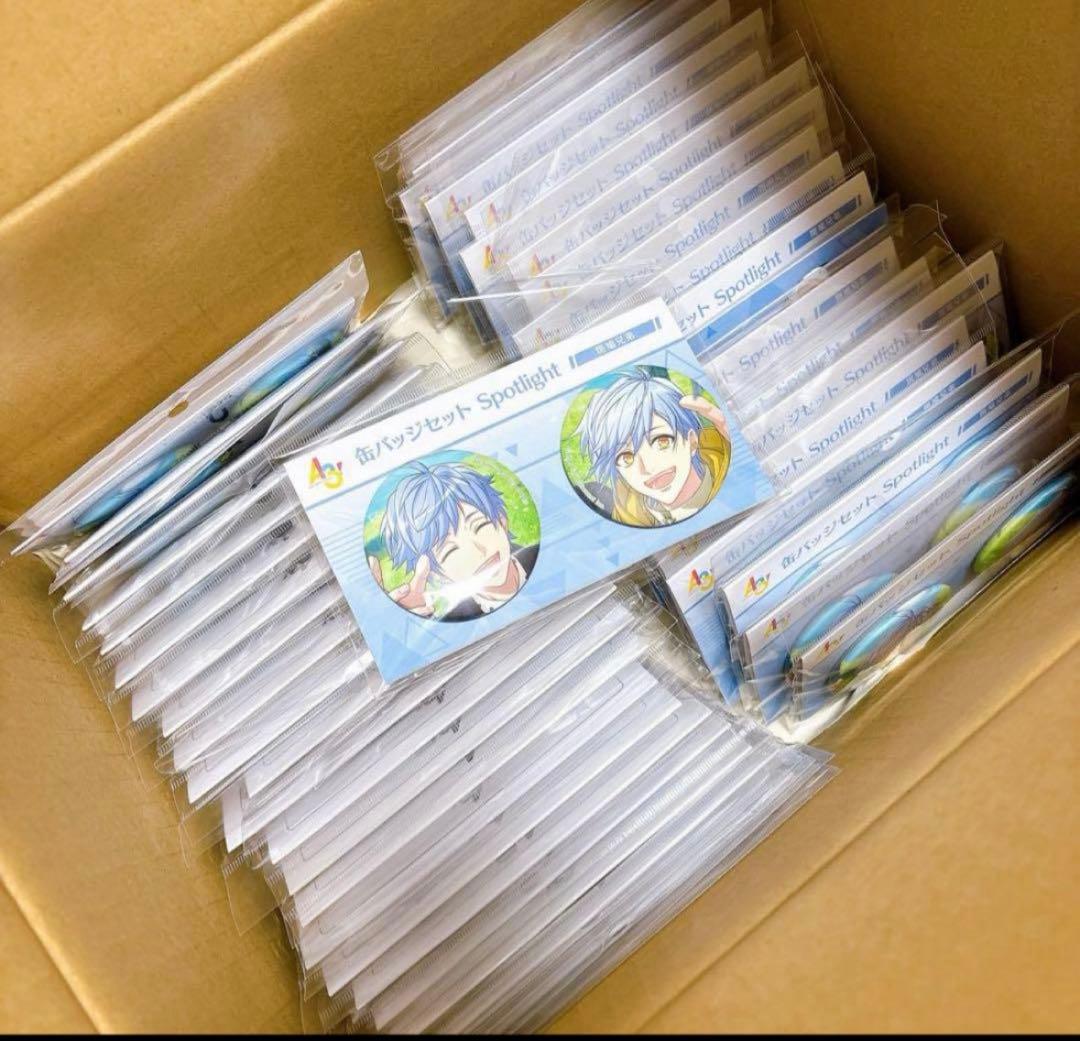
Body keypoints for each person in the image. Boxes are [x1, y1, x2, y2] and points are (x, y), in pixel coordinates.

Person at [369, 460, 537, 622]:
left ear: (501, 521)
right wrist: (409, 622)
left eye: (479, 525)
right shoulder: (456, 619)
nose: (476, 551)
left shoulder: (543, 554)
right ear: (436, 575)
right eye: (449, 551)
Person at [574, 367, 730, 527]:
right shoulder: (629, 515)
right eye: (626, 457)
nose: (648, 467)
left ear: (692, 441)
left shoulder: (729, 470)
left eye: (662, 441)